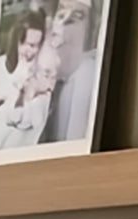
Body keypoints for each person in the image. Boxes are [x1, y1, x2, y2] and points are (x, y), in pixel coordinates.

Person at [39, 0, 98, 144]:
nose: (64, 25)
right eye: (61, 14)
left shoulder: (88, 73)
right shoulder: (39, 69)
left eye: (76, 17)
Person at [0, 39, 61, 150]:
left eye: (52, 76)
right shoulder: (18, 90)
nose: (51, 82)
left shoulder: (42, 101)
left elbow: (18, 118)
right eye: (46, 75)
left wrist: (28, 95)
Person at [0, 9, 47, 113]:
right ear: (18, 41)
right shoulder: (0, 66)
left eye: (38, 45)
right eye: (31, 45)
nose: (35, 51)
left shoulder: (40, 69)